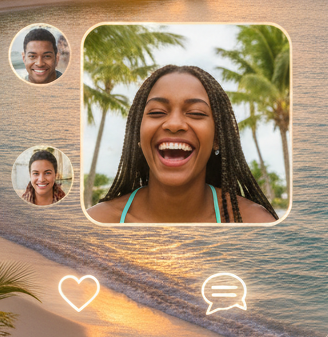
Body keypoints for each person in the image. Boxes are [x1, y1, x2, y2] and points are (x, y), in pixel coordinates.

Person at [87, 65, 278, 224]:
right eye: (157, 112)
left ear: (217, 138)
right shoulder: (97, 222)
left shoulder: (256, 223)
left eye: (196, 113)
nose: (174, 124)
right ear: (138, 133)